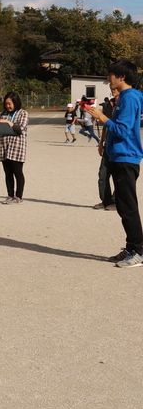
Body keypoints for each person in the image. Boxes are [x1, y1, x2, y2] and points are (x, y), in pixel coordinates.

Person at [88, 59, 143, 267]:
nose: (107, 78)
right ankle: (131, 248)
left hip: (125, 157)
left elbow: (123, 129)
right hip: (117, 156)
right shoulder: (126, 97)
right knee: (122, 205)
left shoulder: (129, 98)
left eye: (110, 75)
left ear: (122, 77)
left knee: (128, 207)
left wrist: (102, 117)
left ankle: (138, 251)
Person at [0, 91, 28, 204]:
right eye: (6, 103)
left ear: (16, 102)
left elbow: (20, 129)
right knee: (7, 173)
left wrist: (9, 123)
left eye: (10, 103)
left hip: (17, 147)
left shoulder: (23, 113)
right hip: (4, 146)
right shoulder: (3, 113)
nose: (8, 106)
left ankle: (19, 196)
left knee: (17, 172)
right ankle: (10, 195)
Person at [94, 94, 117, 210]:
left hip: (118, 147)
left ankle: (115, 201)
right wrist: (101, 143)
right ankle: (105, 200)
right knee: (103, 175)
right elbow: (105, 126)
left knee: (118, 176)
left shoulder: (124, 105)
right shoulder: (109, 105)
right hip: (107, 146)